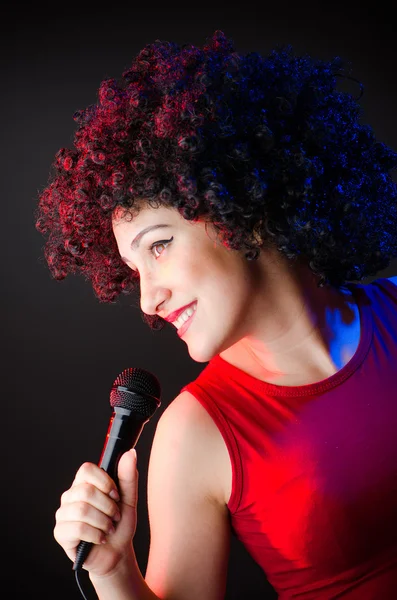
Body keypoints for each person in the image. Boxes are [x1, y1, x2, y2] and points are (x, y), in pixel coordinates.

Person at [35, 30, 397, 599]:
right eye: (133, 270)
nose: (147, 300)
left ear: (241, 203)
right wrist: (112, 571)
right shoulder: (195, 434)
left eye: (159, 246)